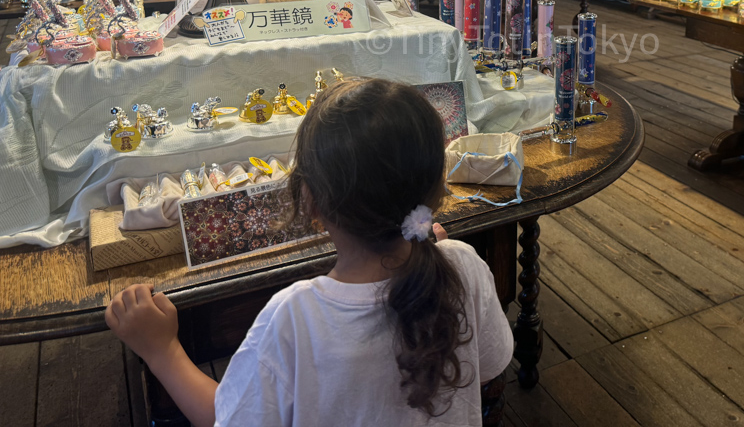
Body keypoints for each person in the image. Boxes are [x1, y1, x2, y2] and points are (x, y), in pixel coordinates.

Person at [105, 78, 514, 426]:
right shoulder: (462, 264)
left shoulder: (295, 316)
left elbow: (225, 418)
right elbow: (489, 368)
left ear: (310, 202)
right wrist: (433, 257)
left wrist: (162, 350)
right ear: (436, 186)